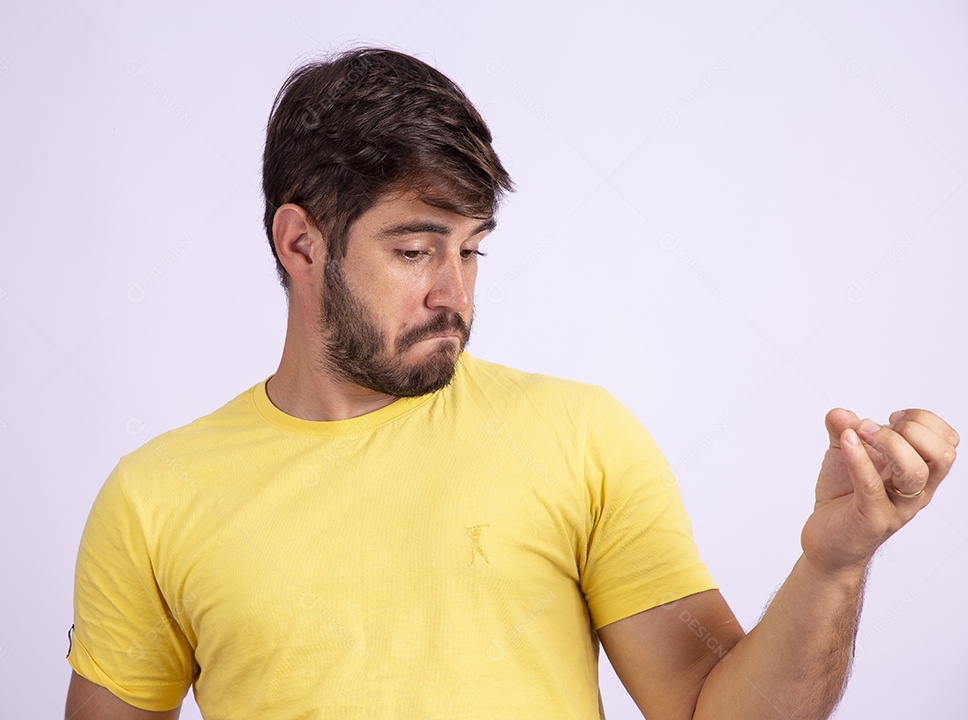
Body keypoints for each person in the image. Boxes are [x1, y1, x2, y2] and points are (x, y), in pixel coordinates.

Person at [64, 47, 959, 720]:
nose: (454, 292)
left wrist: (834, 565)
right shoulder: (156, 496)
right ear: (300, 244)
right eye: (415, 250)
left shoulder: (577, 436)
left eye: (472, 249)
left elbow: (710, 711)